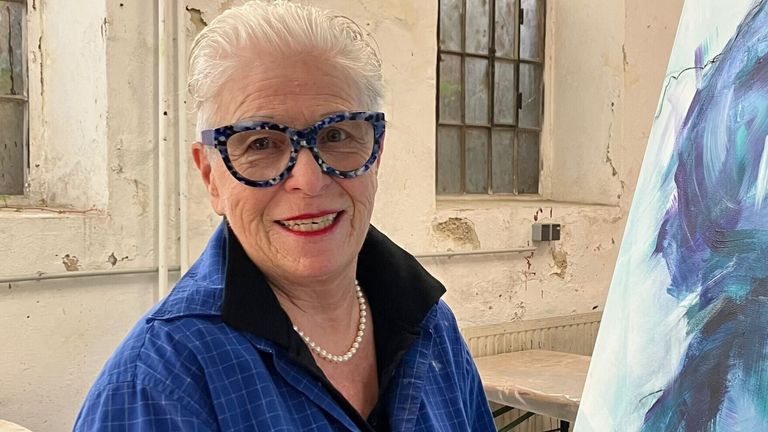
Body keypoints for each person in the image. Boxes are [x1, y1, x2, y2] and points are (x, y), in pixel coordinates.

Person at [74, 1, 495, 430]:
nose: (308, 181)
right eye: (260, 143)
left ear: (376, 153)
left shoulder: (432, 328)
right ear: (210, 176)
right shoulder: (156, 384)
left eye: (336, 134)